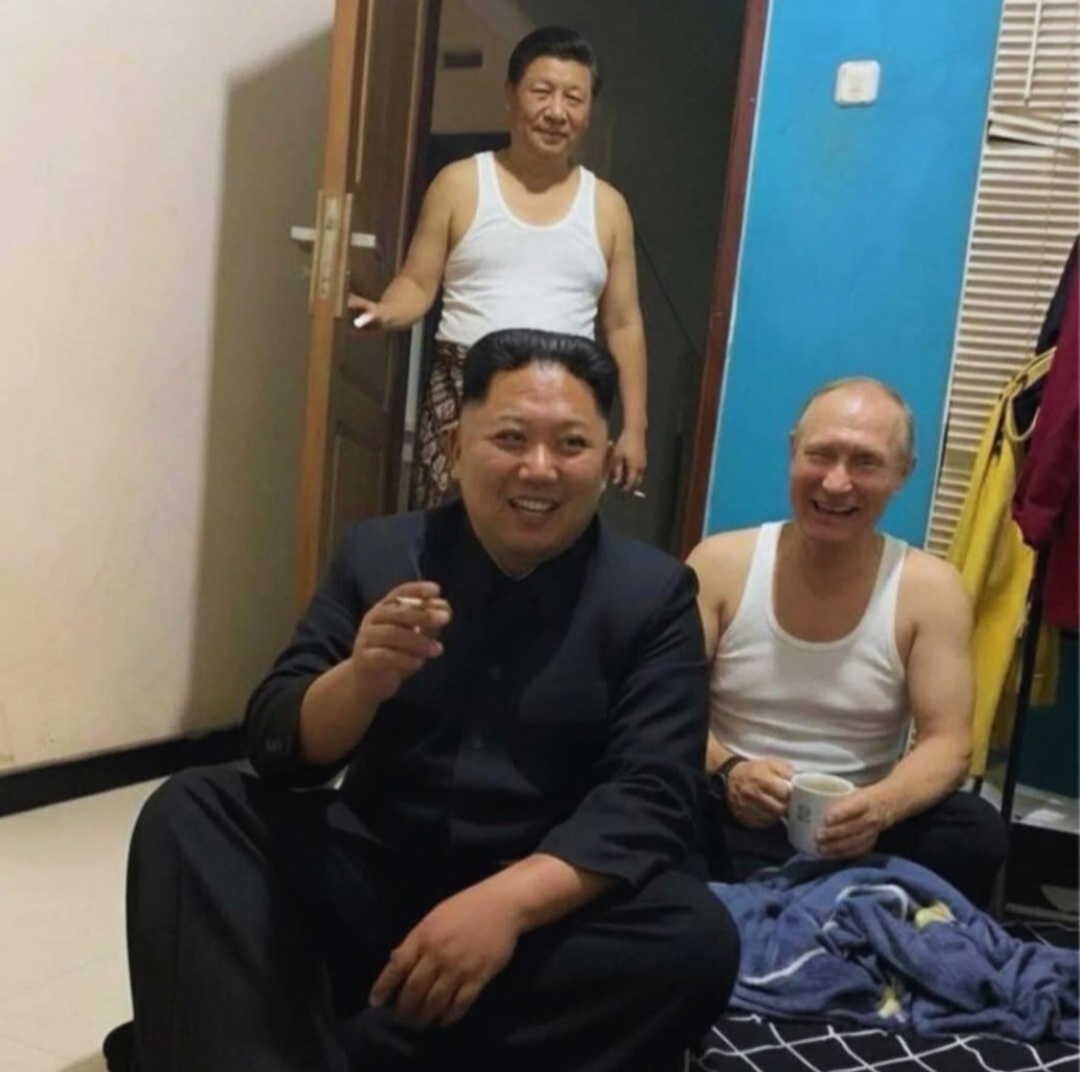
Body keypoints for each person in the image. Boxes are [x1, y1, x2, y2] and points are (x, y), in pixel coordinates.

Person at [125, 329, 738, 1072]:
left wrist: (503, 907)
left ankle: (323, 1046)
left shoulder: (653, 594)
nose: (539, 468)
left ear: (606, 462)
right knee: (194, 811)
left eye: (571, 444)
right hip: (375, 870)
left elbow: (654, 794)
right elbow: (275, 738)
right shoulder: (381, 554)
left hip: (540, 905)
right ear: (454, 445)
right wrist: (358, 682)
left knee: (694, 939)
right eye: (510, 437)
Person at [688, 377, 1008, 908]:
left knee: (977, 830)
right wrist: (729, 771)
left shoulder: (930, 588)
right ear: (793, 452)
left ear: (903, 473)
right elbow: (666, 708)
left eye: (865, 463)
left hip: (861, 827)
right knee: (644, 802)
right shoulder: (719, 563)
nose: (836, 483)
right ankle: (828, 901)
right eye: (820, 455)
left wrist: (879, 807)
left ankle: (799, 896)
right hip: (730, 806)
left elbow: (949, 742)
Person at [348, 26, 648, 507]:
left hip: (563, 398)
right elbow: (417, 283)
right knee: (446, 533)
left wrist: (634, 427)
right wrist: (385, 311)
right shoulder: (459, 184)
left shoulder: (609, 208)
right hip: (465, 387)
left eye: (574, 98)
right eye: (542, 92)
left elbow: (623, 323)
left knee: (547, 534)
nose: (557, 112)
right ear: (511, 95)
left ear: (590, 111)